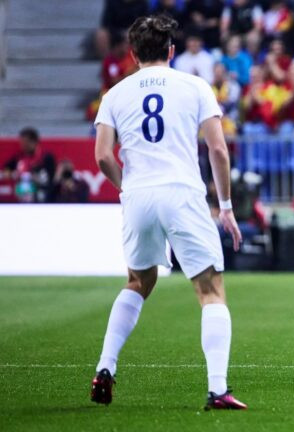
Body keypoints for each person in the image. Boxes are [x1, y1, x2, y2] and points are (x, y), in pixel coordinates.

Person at [91, 15, 246, 410]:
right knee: (210, 291)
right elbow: (217, 150)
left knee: (138, 282)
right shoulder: (194, 86)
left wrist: (126, 188)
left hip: (139, 194)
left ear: (132, 53)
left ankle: (105, 366)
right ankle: (217, 389)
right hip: (182, 193)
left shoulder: (115, 94)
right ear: (171, 51)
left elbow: (103, 155)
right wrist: (225, 207)